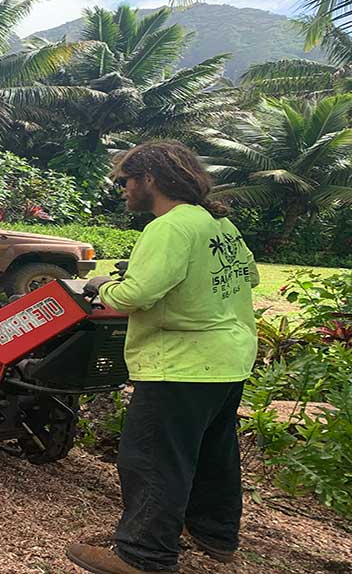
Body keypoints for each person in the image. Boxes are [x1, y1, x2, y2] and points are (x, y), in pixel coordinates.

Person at [66, 141, 259, 574]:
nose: (123, 191)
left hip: (181, 363)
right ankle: (215, 533)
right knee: (213, 451)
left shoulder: (170, 227)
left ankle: (144, 556)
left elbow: (137, 294)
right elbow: (250, 274)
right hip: (227, 359)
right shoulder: (217, 224)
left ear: (149, 179)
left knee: (151, 458)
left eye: (126, 181)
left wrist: (101, 287)